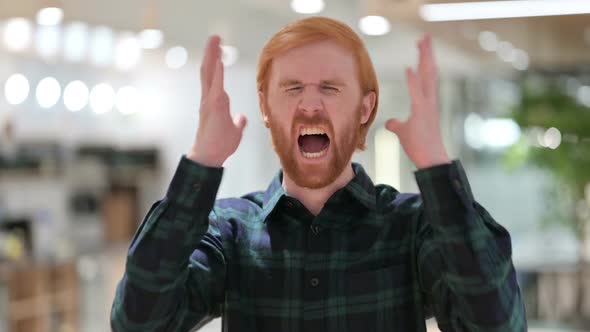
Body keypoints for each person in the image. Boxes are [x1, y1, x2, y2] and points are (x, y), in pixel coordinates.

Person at [110, 16, 527, 332]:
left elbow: (497, 323)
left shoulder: (412, 227)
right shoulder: (229, 232)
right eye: (292, 89)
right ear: (265, 108)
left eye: (329, 87)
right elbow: (138, 322)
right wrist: (203, 160)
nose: (310, 106)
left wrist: (435, 163)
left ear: (365, 109)